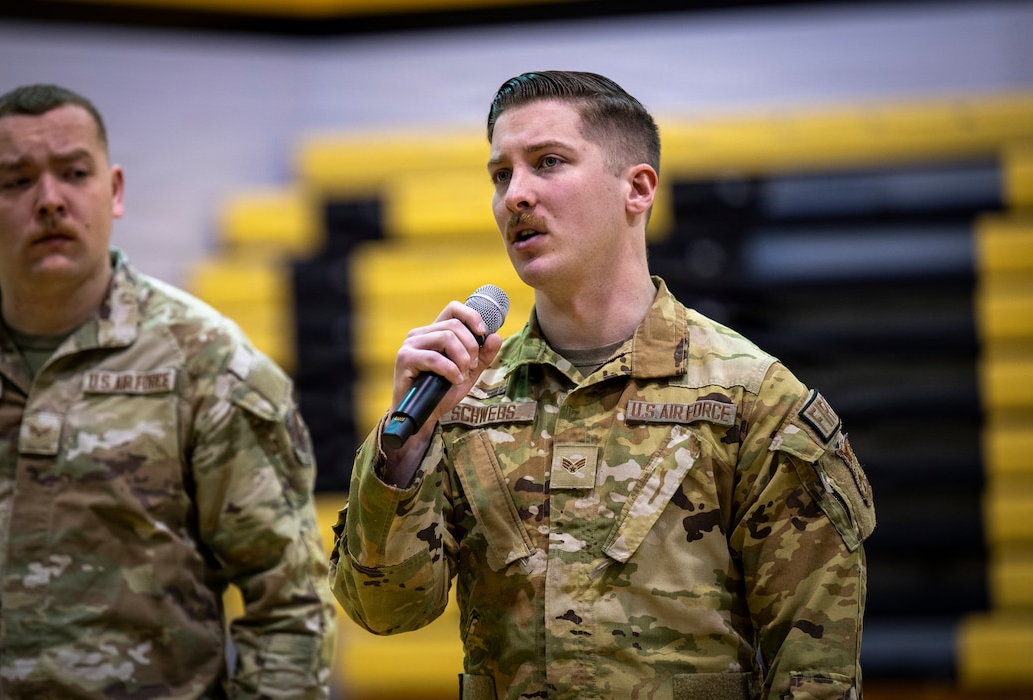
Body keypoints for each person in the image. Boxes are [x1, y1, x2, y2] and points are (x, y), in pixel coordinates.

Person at [329, 70, 875, 700]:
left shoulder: (752, 399)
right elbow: (385, 612)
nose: (516, 196)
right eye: (501, 175)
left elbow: (817, 677)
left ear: (637, 189)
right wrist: (403, 450)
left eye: (549, 162)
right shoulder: (463, 396)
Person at [0, 84, 335, 698]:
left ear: (113, 190)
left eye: (74, 173)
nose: (49, 201)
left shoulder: (207, 362)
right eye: (16, 181)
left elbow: (290, 605)